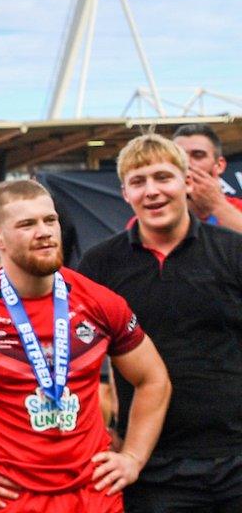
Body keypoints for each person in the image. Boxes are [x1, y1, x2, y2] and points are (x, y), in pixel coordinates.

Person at [0, 179, 171, 512]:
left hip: (94, 495)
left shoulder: (98, 301)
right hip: (12, 499)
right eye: (26, 224)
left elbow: (154, 379)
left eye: (49, 220)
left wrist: (134, 458)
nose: (44, 232)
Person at [78, 133, 242, 512]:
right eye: (138, 182)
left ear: (187, 182)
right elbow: (76, 357)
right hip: (151, 466)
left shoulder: (232, 250)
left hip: (235, 456)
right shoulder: (101, 264)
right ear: (124, 193)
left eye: (162, 177)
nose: (151, 191)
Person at [171, 123, 242, 232]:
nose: (187, 163)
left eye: (198, 155)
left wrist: (217, 206)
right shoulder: (155, 216)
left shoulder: (238, 209)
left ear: (219, 165)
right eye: (179, 156)